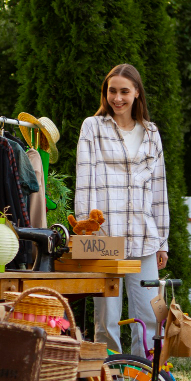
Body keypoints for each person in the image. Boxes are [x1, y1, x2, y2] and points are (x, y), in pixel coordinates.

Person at [75, 64, 169, 354]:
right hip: (104, 238)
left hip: (144, 237)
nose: (117, 98)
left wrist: (162, 241)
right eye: (112, 91)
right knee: (107, 321)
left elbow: (158, 190)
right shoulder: (93, 127)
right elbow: (84, 180)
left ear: (136, 93)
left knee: (150, 318)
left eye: (124, 91)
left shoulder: (151, 132)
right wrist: (85, 231)